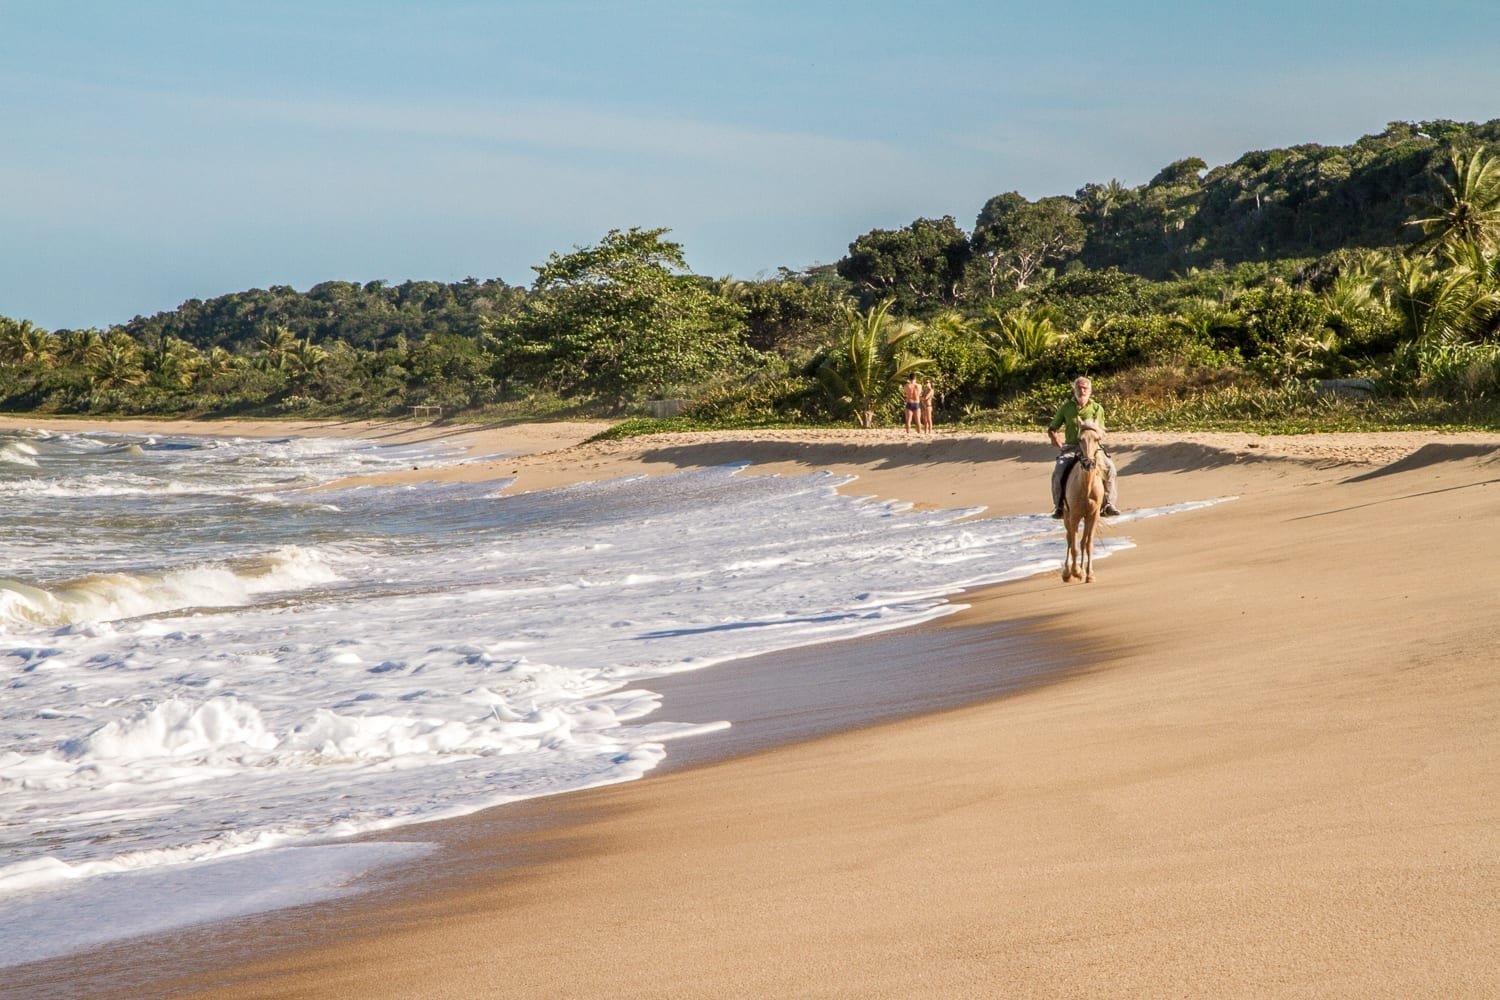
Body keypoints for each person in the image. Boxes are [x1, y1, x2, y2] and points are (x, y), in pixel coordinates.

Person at [1047, 376, 1121, 518]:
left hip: (1093, 447)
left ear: (1090, 391)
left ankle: (1108, 504)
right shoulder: (1066, 407)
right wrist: (1054, 437)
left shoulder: (1097, 408)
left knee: (1110, 468)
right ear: (1074, 390)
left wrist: (1093, 430)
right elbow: (1052, 427)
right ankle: (1059, 507)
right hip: (1072, 447)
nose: (1082, 391)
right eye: (1079, 388)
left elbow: (1101, 430)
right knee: (1058, 471)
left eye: (1085, 388)